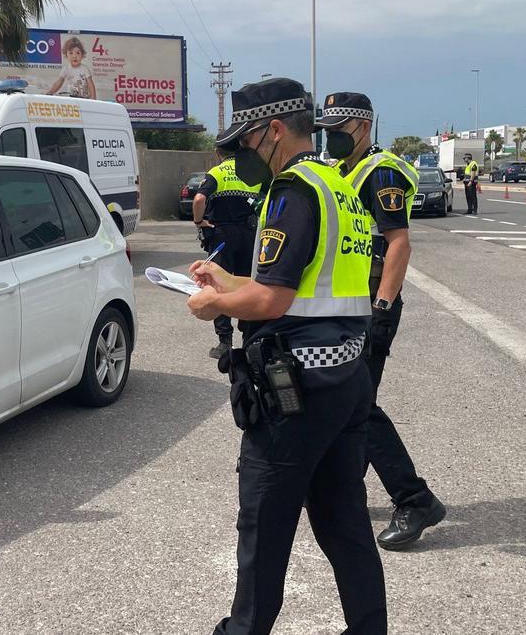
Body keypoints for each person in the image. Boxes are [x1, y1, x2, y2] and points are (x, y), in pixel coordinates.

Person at [187, 77, 386, 635]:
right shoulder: (338, 185)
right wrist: (226, 280)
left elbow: (271, 298)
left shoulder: (291, 191)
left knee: (263, 530)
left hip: (296, 390)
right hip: (347, 376)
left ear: (273, 130)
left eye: (247, 142)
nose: (242, 155)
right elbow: (303, 282)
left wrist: (214, 304)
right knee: (345, 524)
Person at [319, 92, 446, 550]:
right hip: (347, 301)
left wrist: (382, 309)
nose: (330, 136)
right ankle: (346, 487)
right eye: (326, 128)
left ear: (364, 127)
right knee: (346, 402)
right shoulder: (340, 170)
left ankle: (414, 500)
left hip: (373, 303)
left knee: (358, 405)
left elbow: (398, 243)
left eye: (339, 128)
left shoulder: (381, 171)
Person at [193, 148, 262, 359]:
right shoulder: (252, 173)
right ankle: (250, 338)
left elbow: (198, 200)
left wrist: (198, 221)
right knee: (245, 284)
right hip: (249, 234)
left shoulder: (218, 172)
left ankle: (225, 342)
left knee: (218, 284)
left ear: (217, 152)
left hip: (222, 235)